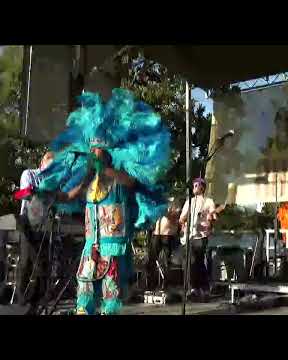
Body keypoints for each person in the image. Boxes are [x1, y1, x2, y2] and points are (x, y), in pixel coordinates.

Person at [39, 89, 171, 315]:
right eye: (92, 151)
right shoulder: (88, 177)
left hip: (113, 245)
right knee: (84, 289)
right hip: (92, 245)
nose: (94, 154)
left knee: (110, 294)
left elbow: (131, 183)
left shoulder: (119, 174)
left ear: (108, 152)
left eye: (98, 151)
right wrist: (47, 193)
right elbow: (71, 195)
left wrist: (105, 169)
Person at [14, 152, 55, 306]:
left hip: (42, 224)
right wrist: (38, 191)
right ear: (41, 164)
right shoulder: (29, 174)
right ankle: (20, 296)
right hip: (27, 221)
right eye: (48, 167)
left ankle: (36, 298)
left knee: (42, 263)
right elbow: (23, 193)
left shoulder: (53, 182)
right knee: (26, 262)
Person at [179, 178, 217, 300]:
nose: (194, 187)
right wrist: (184, 222)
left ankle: (201, 287)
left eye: (197, 185)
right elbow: (181, 219)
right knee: (190, 262)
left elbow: (213, 216)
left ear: (203, 188)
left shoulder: (208, 201)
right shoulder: (189, 201)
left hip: (201, 236)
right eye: (194, 185)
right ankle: (194, 288)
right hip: (189, 236)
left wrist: (210, 219)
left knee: (197, 261)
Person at [147, 200, 181, 290]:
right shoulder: (159, 201)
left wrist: (164, 211)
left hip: (168, 235)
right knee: (152, 259)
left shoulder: (175, 203)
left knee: (166, 261)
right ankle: (151, 284)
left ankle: (165, 284)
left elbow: (174, 217)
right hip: (157, 234)